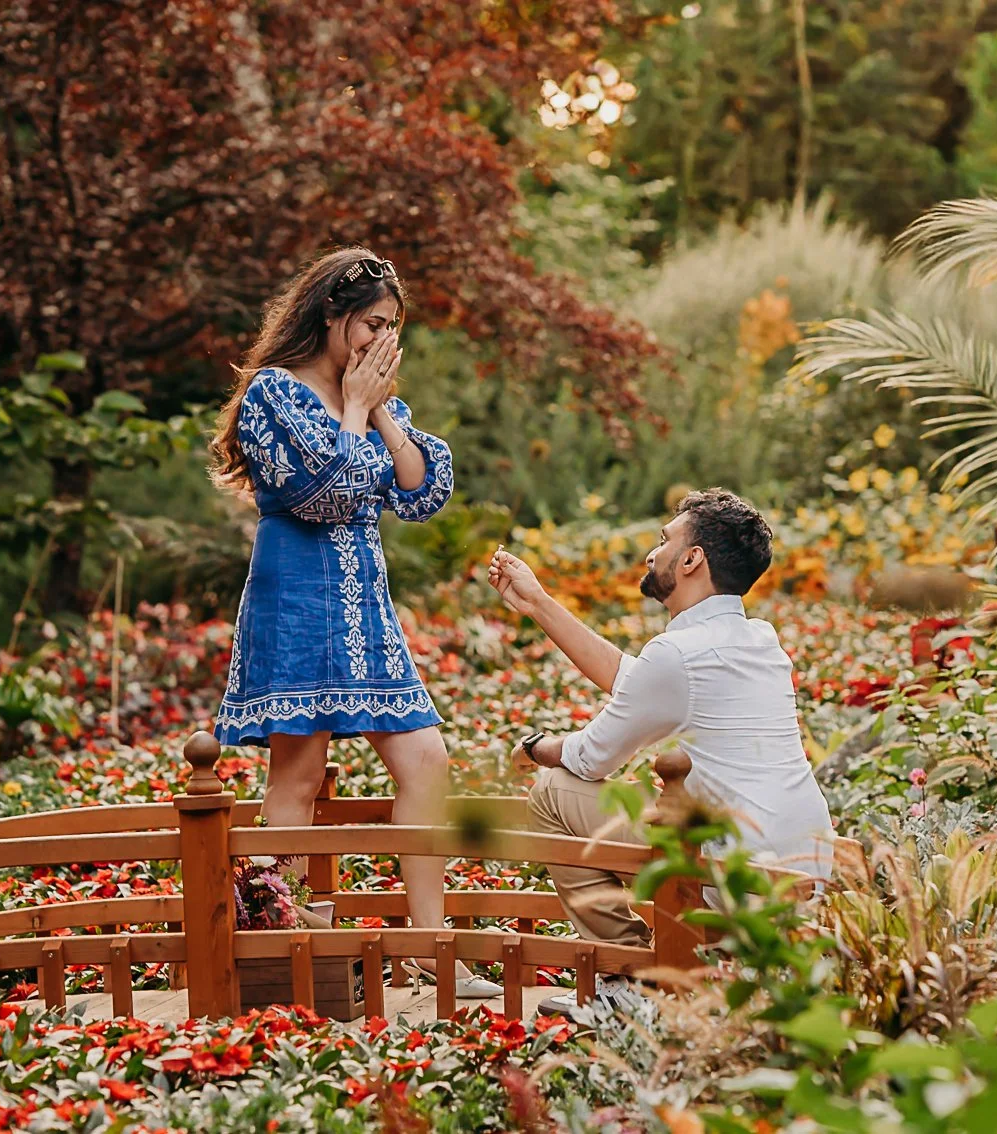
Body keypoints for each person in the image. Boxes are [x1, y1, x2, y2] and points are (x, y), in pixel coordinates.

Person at [210, 247, 501, 998]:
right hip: (297, 598)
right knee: (299, 773)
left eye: (391, 328)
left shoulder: (372, 399)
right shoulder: (273, 393)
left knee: (426, 760)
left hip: (364, 603)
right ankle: (279, 950)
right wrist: (350, 410)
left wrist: (374, 410)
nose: (382, 341)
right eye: (372, 323)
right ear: (330, 316)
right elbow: (322, 495)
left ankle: (429, 949)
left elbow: (419, 492)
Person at [488, 488, 835, 1015]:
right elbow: (639, 682)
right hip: (801, 870)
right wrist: (537, 603)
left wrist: (534, 747)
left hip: (728, 876)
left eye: (665, 540)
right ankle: (646, 974)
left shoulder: (678, 654)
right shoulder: (760, 638)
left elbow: (589, 759)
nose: (653, 554)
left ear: (693, 559)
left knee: (553, 791)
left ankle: (629, 978)